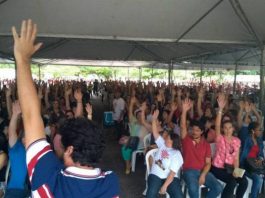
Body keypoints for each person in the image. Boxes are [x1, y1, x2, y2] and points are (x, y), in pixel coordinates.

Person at [12, 19, 119, 198]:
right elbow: (32, 118)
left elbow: (31, 118)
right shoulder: (110, 183)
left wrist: (22, 59)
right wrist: (23, 60)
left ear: (69, 150)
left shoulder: (48, 176)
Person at [180, 98, 222, 198]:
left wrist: (203, 175)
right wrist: (184, 111)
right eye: (193, 130)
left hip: (203, 171)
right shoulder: (186, 140)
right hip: (188, 171)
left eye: (197, 130)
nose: (194, 132)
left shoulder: (206, 144)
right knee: (194, 189)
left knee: (218, 187)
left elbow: (208, 163)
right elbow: (182, 126)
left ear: (202, 132)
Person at [211, 93, 248, 198]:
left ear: (233, 129)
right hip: (218, 168)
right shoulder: (220, 138)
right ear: (223, 129)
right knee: (232, 182)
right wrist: (220, 109)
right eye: (225, 128)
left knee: (244, 181)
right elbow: (217, 125)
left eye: (229, 127)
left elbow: (236, 158)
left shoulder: (237, 141)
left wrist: (236, 170)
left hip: (231, 168)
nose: (227, 130)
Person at [146, 109, 183, 198]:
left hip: (170, 178)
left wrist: (164, 186)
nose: (165, 138)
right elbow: (155, 132)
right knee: (150, 195)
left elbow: (172, 174)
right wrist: (154, 119)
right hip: (155, 174)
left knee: (178, 196)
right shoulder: (162, 144)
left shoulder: (176, 154)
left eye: (168, 138)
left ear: (172, 142)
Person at [5, 101, 28, 198]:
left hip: (29, 191)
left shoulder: (36, 150)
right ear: (22, 139)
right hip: (15, 191)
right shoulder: (17, 149)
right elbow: (11, 132)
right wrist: (15, 115)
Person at [240, 122, 264, 198]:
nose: (261, 131)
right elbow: (243, 129)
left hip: (255, 165)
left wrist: (260, 159)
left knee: (259, 178)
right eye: (259, 130)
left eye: (261, 129)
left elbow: (261, 155)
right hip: (246, 166)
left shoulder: (259, 141)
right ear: (253, 131)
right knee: (258, 179)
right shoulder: (246, 139)